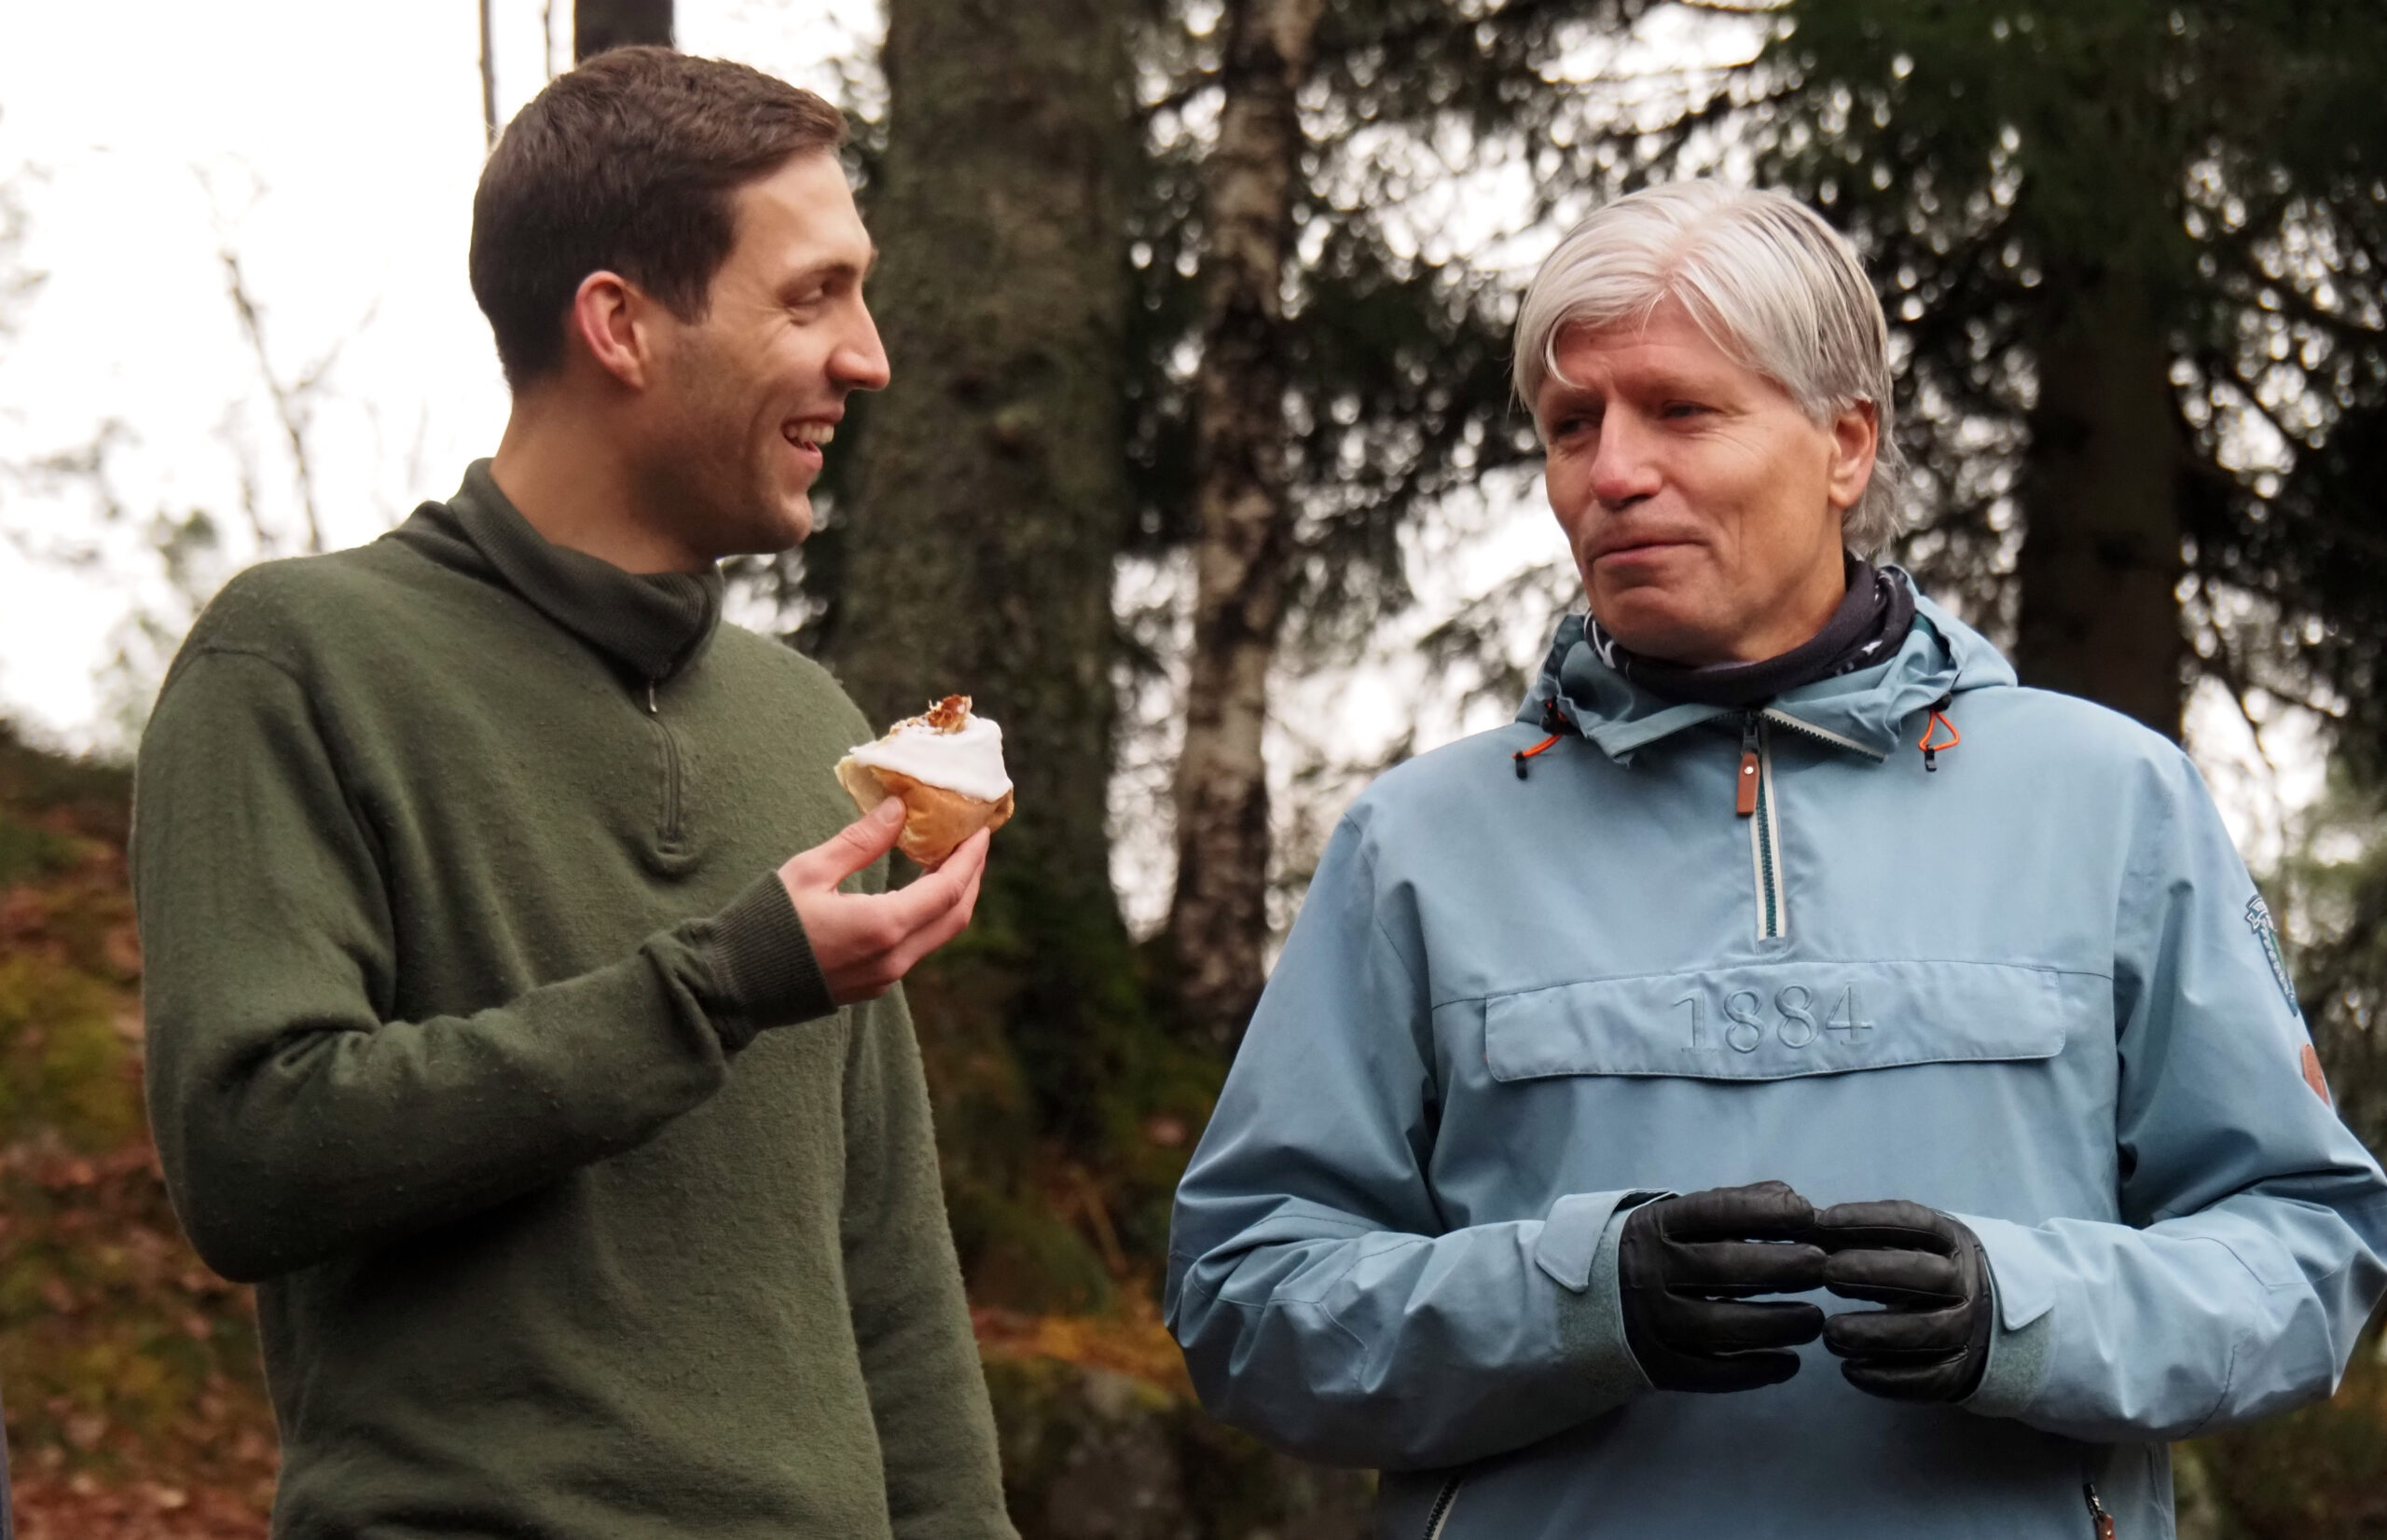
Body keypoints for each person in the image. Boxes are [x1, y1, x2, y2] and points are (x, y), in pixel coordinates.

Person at [1165, 181, 2387, 1538]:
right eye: (1575, 427)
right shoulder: (1418, 843)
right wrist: (1570, 1302)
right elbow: (1244, 1295)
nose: (1614, 472)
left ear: (1844, 444)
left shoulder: (2112, 802)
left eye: (1682, 412)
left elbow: (2306, 1246)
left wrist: (2023, 1314)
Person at [133, 49, 1014, 1540]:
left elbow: (892, 1278)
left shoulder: (814, 730)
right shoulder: (299, 660)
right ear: (619, 323)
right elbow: (250, 1154)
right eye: (812, 296)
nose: (868, 356)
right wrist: (714, 989)